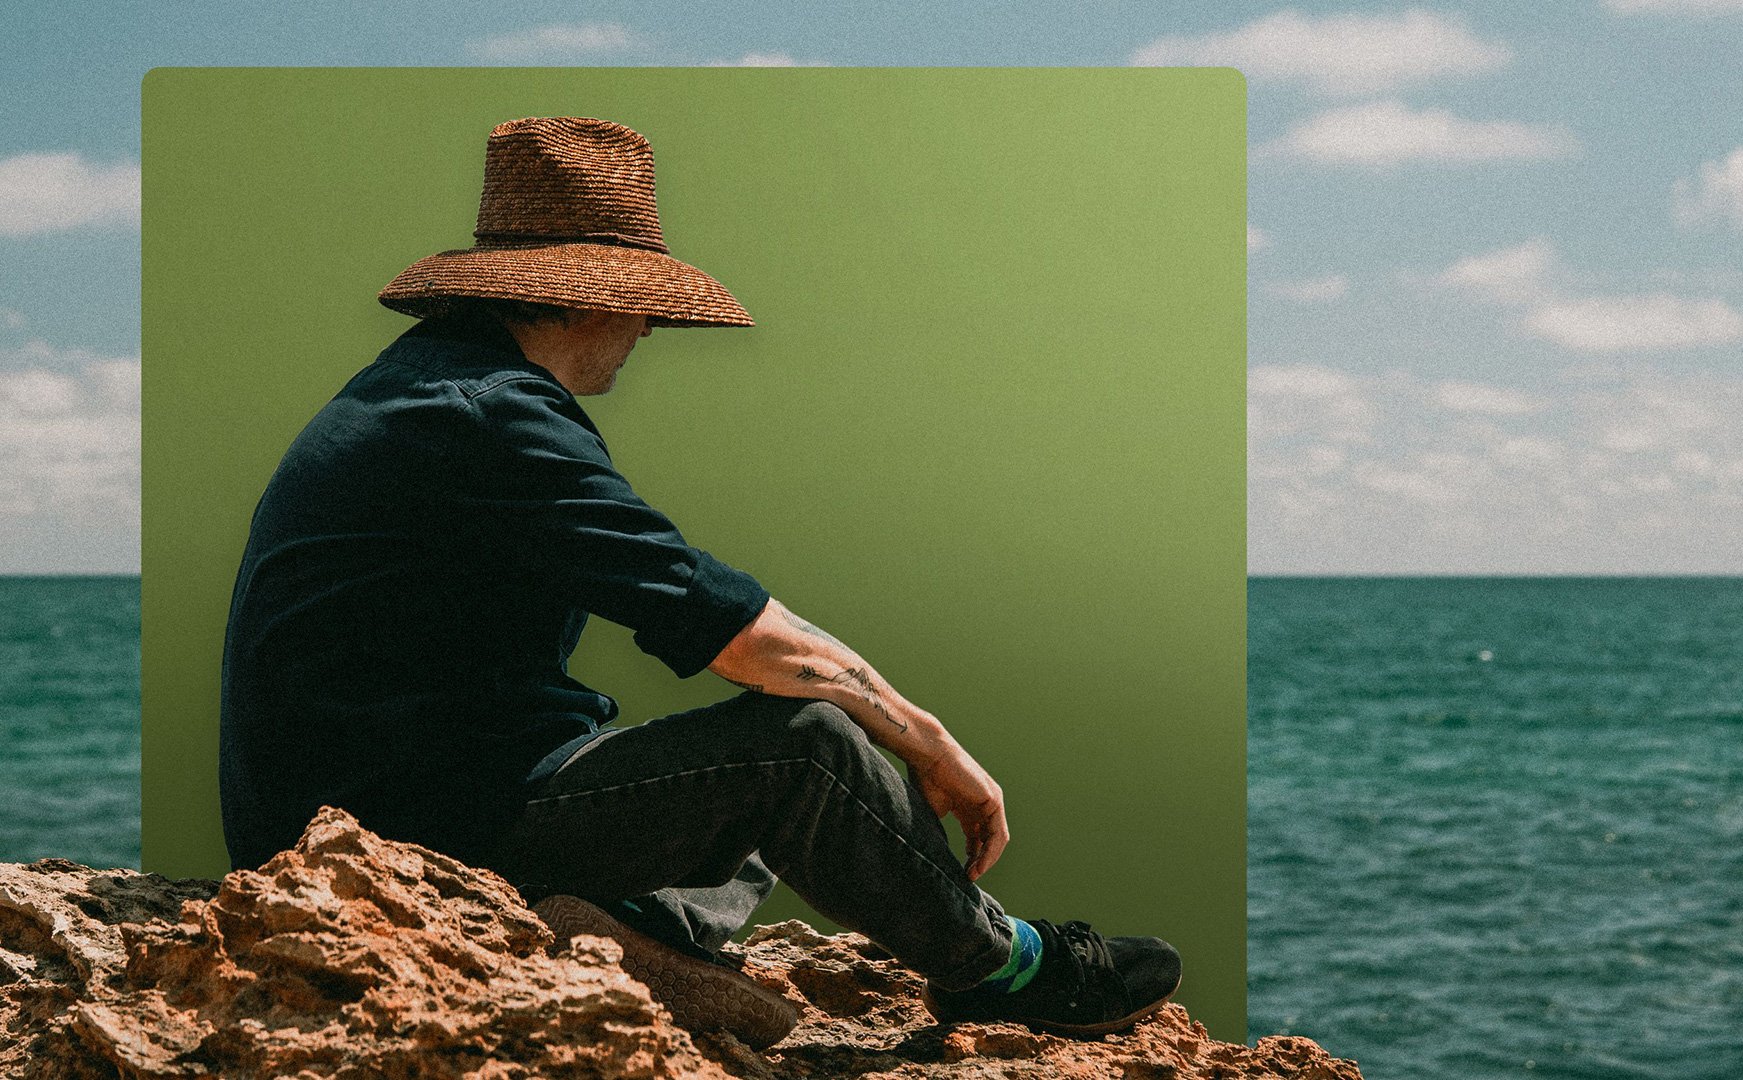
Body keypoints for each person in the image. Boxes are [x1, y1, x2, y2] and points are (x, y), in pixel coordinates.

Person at [218, 116, 1180, 1048]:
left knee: (744, 795)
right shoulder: (493, 418)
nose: (648, 330)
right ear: (588, 298)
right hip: (400, 838)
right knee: (804, 746)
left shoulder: (420, 387)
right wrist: (927, 742)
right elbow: (729, 625)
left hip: (360, 807)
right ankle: (1002, 970)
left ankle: (621, 932)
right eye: (642, 304)